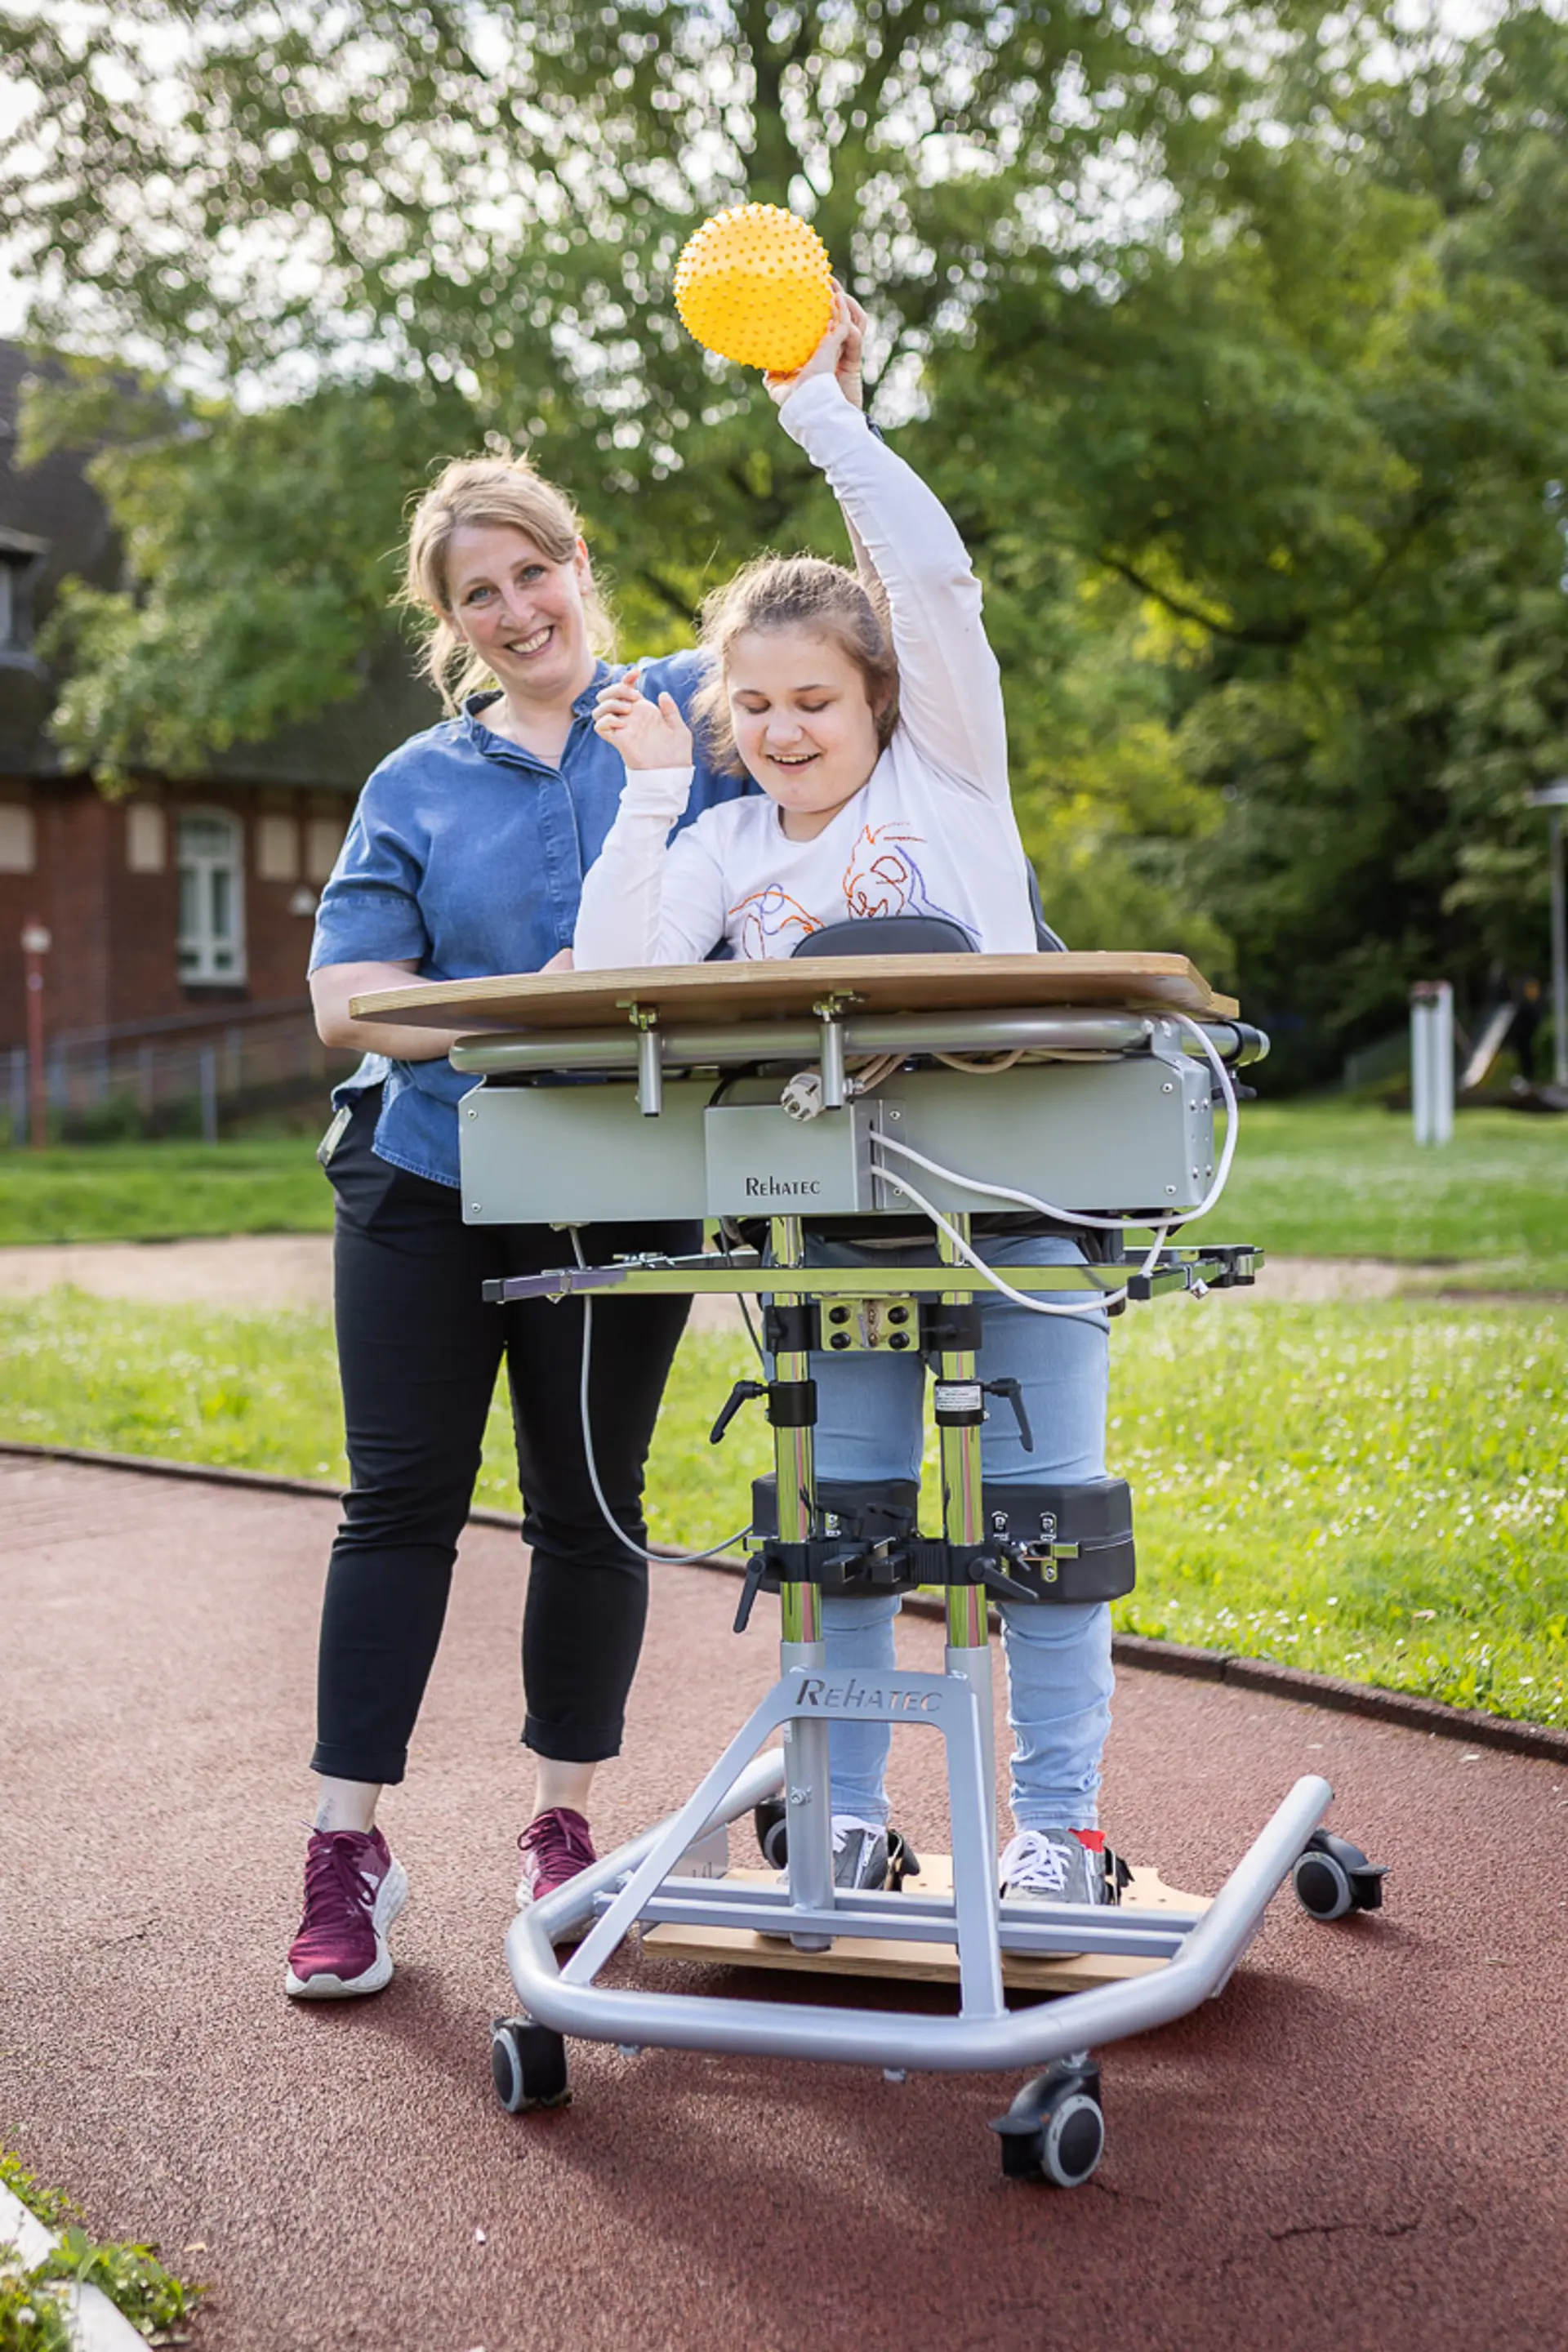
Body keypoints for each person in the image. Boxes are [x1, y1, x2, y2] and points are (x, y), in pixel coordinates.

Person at [575, 291, 1117, 1910]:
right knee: (856, 1524)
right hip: (839, 1223)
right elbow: (621, 983)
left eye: (812, 699)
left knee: (1043, 1530)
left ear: (881, 697)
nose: (782, 729)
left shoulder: (945, 779)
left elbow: (935, 585)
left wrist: (822, 415)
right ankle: (851, 1814)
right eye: (755, 707)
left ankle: (1058, 1827)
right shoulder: (728, 842)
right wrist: (661, 796)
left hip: (1025, 1191)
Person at [286, 450, 750, 1999]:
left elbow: (868, 676)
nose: (513, 610)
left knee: (586, 1499)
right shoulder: (414, 783)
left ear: (576, 559)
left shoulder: (698, 708)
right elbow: (349, 1005)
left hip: (622, 1183)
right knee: (398, 1502)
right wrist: (532, 1010)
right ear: (451, 624)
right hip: (425, 1176)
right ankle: (347, 1846)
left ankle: (566, 1828)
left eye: (530, 573)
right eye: (476, 596)